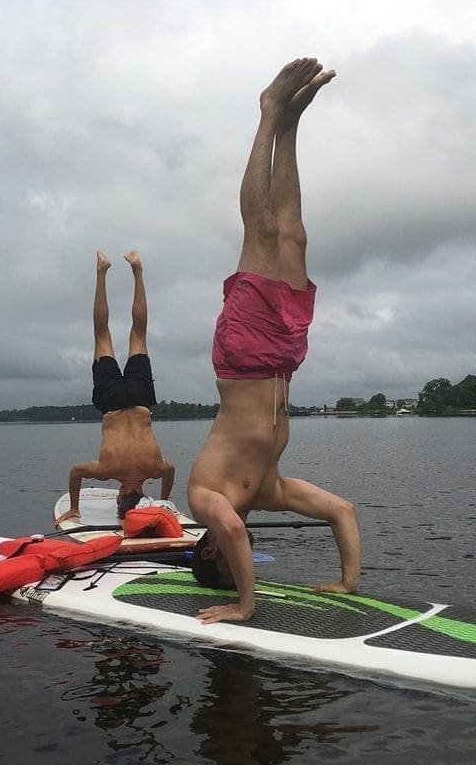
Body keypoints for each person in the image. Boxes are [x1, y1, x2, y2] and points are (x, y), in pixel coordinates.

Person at [186, 58, 362, 624]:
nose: (232, 546)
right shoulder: (267, 489)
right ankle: (290, 127)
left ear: (209, 550)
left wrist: (243, 605)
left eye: (227, 560)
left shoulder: (205, 498)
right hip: (285, 359)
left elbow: (233, 529)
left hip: (243, 356)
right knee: (293, 233)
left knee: (260, 231)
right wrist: (348, 583)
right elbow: (343, 511)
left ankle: (267, 112)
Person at [56, 250, 176, 524]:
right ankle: (102, 271)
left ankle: (137, 269)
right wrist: (74, 507)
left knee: (139, 332)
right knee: (102, 333)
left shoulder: (157, 468)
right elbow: (75, 472)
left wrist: (165, 499)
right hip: (111, 402)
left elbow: (171, 472)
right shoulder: (106, 470)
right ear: (120, 497)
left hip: (140, 400)